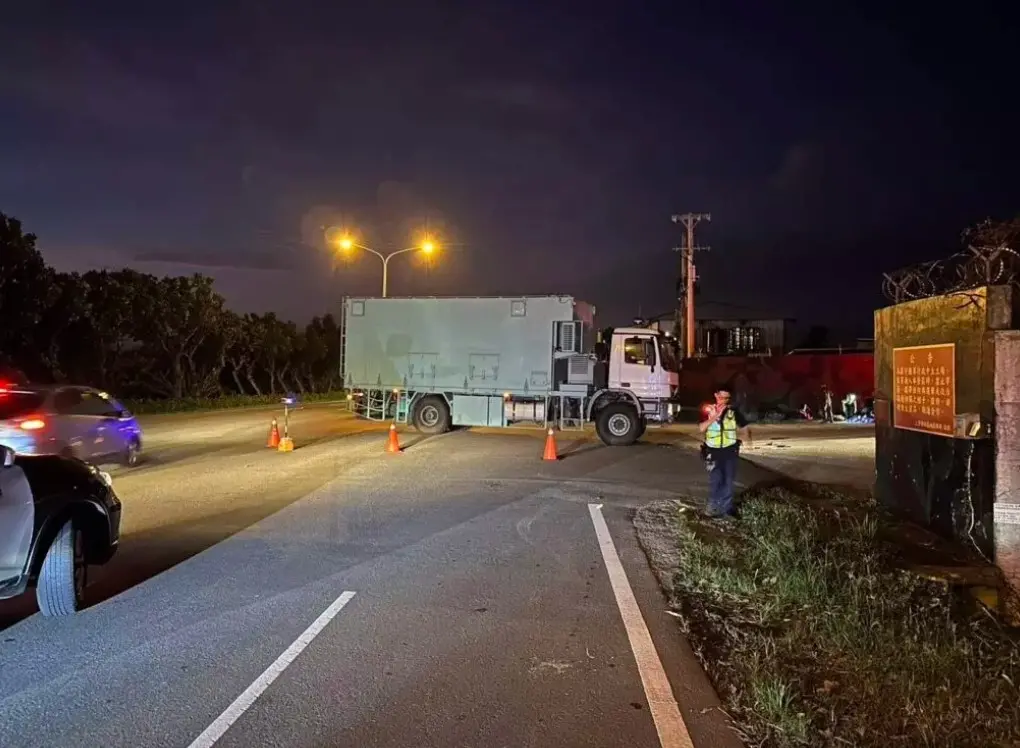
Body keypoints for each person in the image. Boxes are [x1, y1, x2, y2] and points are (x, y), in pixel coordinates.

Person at [699, 384, 752, 518]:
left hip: (730, 450)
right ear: (716, 395)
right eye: (721, 397)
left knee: (728, 480)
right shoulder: (707, 410)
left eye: (726, 398)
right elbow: (701, 428)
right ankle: (713, 507)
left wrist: (747, 439)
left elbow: (744, 426)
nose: (723, 400)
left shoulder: (733, 411)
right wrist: (715, 416)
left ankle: (727, 509)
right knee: (716, 479)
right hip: (713, 451)